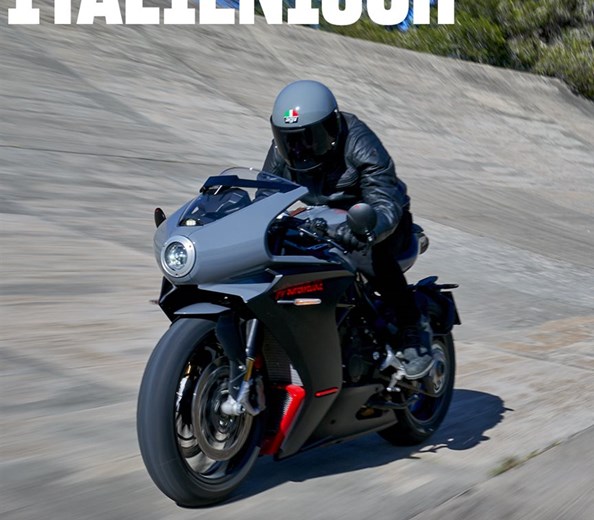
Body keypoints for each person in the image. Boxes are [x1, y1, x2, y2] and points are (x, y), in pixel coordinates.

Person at [262, 79, 433, 380]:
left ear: (331, 128)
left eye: (309, 138)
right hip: (322, 221)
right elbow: (266, 193)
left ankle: (412, 328)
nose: (300, 148)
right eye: (290, 140)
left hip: (375, 220)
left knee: (370, 254)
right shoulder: (284, 149)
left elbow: (384, 201)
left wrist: (366, 231)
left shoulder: (359, 142)